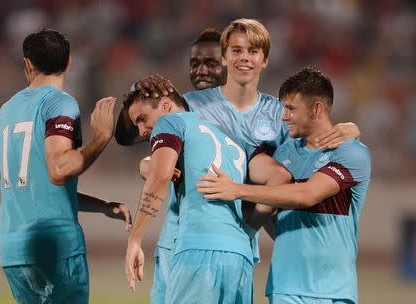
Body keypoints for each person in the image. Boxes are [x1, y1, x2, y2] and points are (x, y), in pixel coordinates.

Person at [120, 19, 361, 302]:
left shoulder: (280, 114)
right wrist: (148, 166)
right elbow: (142, 146)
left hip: (227, 242)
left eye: (253, 51)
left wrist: (351, 130)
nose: (244, 57)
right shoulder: (192, 103)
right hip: (181, 239)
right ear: (225, 57)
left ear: (265, 59)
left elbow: (301, 158)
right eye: (236, 50)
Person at [197, 67, 371, 304]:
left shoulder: (351, 152)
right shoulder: (282, 152)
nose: (284, 116)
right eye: (283, 108)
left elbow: (307, 195)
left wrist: (236, 189)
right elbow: (271, 200)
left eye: (291, 109)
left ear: (317, 108)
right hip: (284, 287)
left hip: (333, 290)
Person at [0, 29, 131, 304]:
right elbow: (60, 169)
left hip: (12, 249)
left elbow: (43, 188)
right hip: (56, 247)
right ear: (69, 62)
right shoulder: (59, 102)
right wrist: (102, 138)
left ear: (27, 64)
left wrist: (103, 207)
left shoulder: (6, 111)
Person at [124, 88, 254, 303]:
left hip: (200, 251)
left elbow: (160, 177)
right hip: (240, 257)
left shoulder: (170, 122)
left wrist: (134, 240)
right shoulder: (232, 139)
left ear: (165, 105)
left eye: (143, 118)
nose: (141, 130)